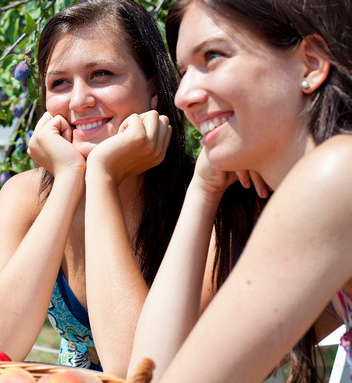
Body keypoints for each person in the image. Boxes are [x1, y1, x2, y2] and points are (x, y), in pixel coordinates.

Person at [117, 0, 352, 382]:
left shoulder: (336, 176)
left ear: (310, 63)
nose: (183, 96)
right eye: (183, 72)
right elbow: (153, 371)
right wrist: (204, 188)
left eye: (213, 55)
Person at [0, 0, 196, 375]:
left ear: (152, 87)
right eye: (59, 83)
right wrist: (70, 178)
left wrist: (101, 176)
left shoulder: (204, 199)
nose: (79, 100)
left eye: (101, 74)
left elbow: (138, 371)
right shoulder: (24, 198)